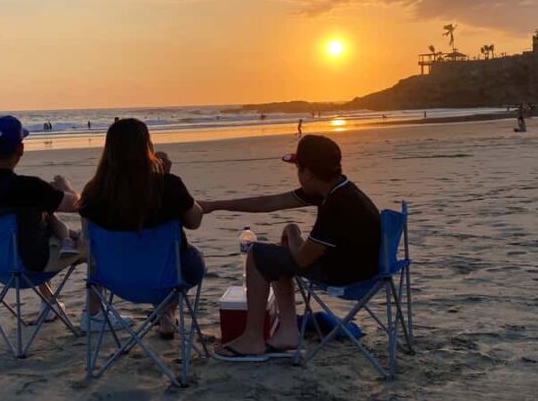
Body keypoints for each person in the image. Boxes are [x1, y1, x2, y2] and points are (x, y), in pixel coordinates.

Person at [199, 135, 381, 361]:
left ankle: (253, 339)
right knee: (277, 257)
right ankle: (287, 333)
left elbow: (303, 259)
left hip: (346, 275)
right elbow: (269, 203)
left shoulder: (338, 205)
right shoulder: (334, 188)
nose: (296, 173)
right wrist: (215, 206)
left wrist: (293, 232)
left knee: (258, 255)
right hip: (361, 266)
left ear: (308, 173)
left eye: (297, 168)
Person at [0, 116, 113, 328]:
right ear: (20, 150)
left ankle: (49, 303)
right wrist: (65, 187)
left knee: (37, 228)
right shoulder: (29, 187)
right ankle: (94, 316)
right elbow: (77, 205)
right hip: (27, 266)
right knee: (96, 247)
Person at [78, 119, 205, 339]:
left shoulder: (93, 192)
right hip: (166, 277)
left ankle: (166, 317)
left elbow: (87, 241)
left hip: (115, 280)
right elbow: (195, 220)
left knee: (165, 260)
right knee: (190, 259)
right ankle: (167, 317)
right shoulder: (168, 185)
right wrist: (164, 177)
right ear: (147, 146)